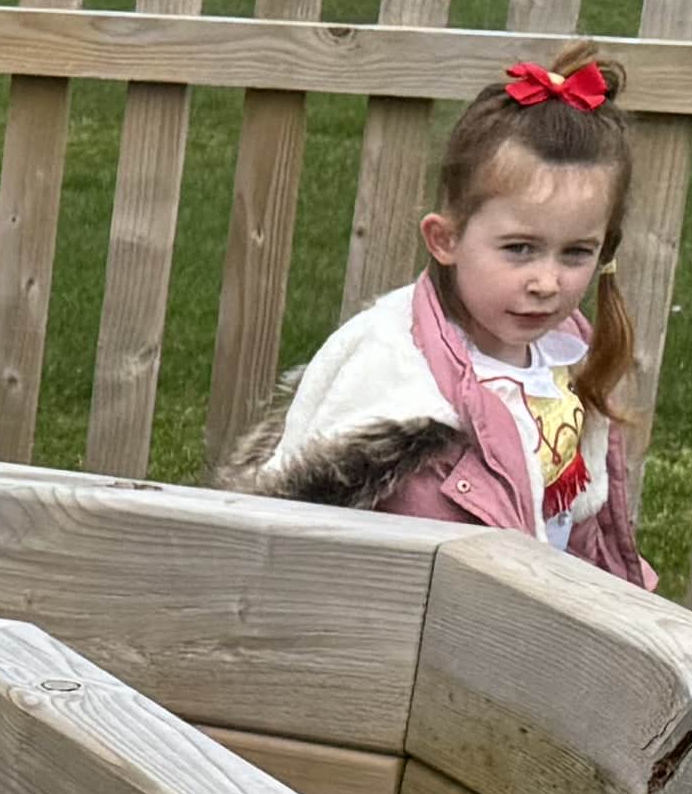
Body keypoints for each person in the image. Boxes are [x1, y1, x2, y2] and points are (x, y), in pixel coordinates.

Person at [229, 59, 658, 582]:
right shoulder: (392, 371)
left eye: (575, 253)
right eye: (519, 249)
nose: (547, 281)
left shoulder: (567, 355)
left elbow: (581, 524)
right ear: (445, 239)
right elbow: (300, 536)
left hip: (536, 620)